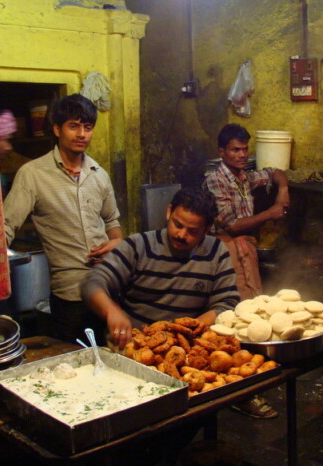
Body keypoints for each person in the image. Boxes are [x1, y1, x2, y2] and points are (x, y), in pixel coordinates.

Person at [3, 94, 122, 345]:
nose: (82, 134)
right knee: (75, 367)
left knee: (114, 362)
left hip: (109, 288)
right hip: (70, 296)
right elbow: (5, 225)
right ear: (57, 129)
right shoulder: (33, 174)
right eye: (73, 126)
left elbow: (112, 222)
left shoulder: (99, 174)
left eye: (87, 127)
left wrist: (116, 243)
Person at [202, 123, 290, 419]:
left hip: (246, 251)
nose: (241, 155)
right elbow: (231, 225)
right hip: (226, 251)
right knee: (236, 317)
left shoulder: (244, 176)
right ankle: (241, 391)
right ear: (221, 152)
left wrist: (283, 190)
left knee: (253, 311)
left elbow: (276, 172)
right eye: (235, 150)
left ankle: (252, 379)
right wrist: (271, 213)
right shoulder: (216, 179)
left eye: (244, 149)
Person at [81, 186, 239, 350]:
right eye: (178, 224)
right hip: (132, 345)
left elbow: (227, 303)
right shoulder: (139, 245)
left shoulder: (216, 252)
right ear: (169, 212)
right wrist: (111, 312)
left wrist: (194, 327)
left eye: (193, 231)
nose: (181, 235)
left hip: (185, 349)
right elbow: (93, 283)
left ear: (206, 230)